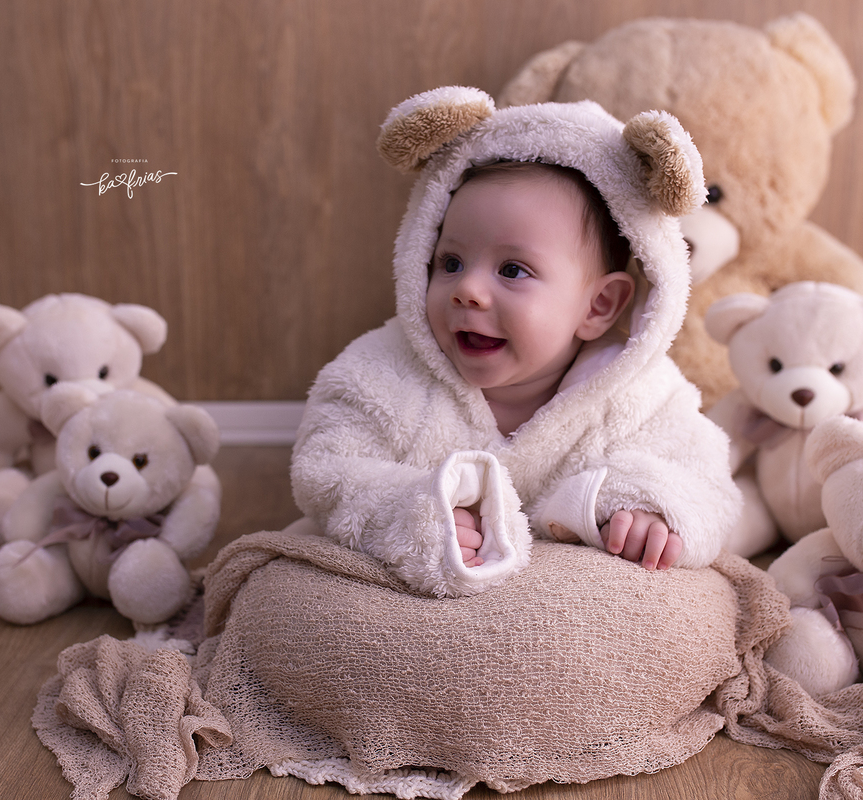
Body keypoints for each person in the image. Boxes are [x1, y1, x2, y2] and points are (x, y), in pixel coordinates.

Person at [291, 88, 741, 598]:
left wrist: (649, 509)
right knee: (297, 598)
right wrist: (411, 509)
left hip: (566, 605)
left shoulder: (642, 396)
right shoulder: (384, 370)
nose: (467, 290)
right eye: (451, 262)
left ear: (598, 307)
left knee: (678, 607)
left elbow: (709, 488)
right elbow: (326, 468)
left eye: (512, 270)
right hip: (409, 596)